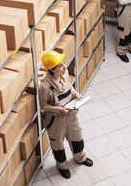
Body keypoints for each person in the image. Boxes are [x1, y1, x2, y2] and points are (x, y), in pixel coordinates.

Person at [39, 51, 93, 179]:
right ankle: (62, 166)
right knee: (58, 146)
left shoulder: (65, 74)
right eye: (60, 66)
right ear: (52, 69)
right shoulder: (45, 87)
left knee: (77, 138)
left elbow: (70, 87)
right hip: (56, 121)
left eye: (63, 64)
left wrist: (76, 94)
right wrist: (59, 110)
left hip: (71, 115)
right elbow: (43, 107)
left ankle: (80, 157)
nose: (65, 67)